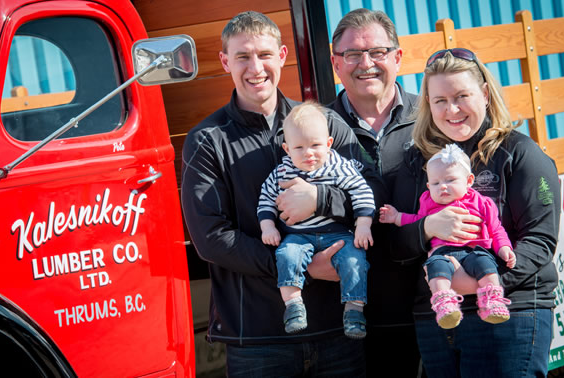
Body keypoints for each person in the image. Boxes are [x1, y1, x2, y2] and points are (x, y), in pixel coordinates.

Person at [181, 11, 379, 376]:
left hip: (338, 332)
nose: (255, 67)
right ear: (225, 61)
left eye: (264, 55)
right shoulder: (208, 141)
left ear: (283, 55)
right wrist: (304, 269)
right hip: (257, 342)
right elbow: (210, 237)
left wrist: (320, 200)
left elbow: (373, 197)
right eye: (242, 56)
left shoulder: (326, 123)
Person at [388, 47, 560, 377]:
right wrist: (426, 227)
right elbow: (395, 244)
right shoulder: (416, 163)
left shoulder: (519, 153)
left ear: (484, 93)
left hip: (509, 313)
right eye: (439, 100)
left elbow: (539, 241)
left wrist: (477, 283)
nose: (452, 109)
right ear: (428, 104)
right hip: (437, 320)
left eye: (461, 96)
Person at [327, 8, 423, 375]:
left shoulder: (432, 117)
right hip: (356, 316)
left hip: (434, 301)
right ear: (336, 63)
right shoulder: (318, 129)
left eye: (377, 52)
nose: (365, 63)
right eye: (352, 54)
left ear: (397, 57)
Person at [258, 101, 374, 339]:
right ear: (287, 149)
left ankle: (354, 311)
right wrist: (267, 225)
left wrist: (363, 224)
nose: (308, 153)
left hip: (339, 234)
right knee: (286, 255)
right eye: (299, 147)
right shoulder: (282, 172)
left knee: (355, 260)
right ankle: (293, 306)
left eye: (315, 145)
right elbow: (265, 199)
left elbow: (362, 192)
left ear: (329, 144)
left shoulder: (339, 165)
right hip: (298, 235)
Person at [380, 144, 516, 329]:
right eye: (435, 183)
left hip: (475, 250)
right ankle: (444, 303)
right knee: (435, 268)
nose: (442, 187)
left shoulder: (482, 203)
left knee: (487, 265)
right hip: (442, 252)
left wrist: (504, 248)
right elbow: (418, 221)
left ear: (469, 180)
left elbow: (496, 229)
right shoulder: (428, 202)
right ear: (428, 186)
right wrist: (397, 217)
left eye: (450, 180)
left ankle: (492, 301)